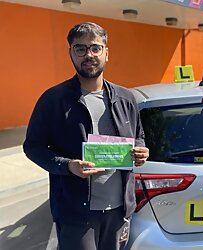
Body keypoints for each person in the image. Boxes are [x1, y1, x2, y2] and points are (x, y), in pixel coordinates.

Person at [23, 22, 149, 250]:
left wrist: (141, 150)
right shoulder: (53, 100)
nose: (88, 55)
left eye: (95, 48)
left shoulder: (126, 98)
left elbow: (138, 135)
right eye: (80, 49)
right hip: (75, 213)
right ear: (70, 53)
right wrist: (67, 165)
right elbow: (33, 147)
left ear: (106, 53)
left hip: (119, 210)